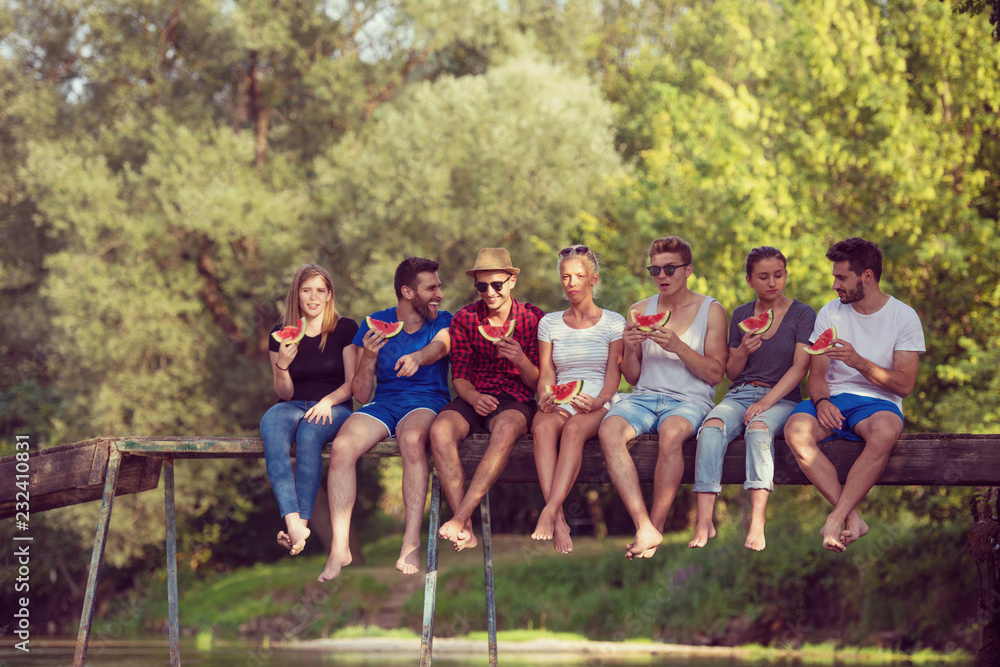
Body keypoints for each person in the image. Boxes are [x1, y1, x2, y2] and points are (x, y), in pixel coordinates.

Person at [784, 237, 924, 553]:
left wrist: (858, 360)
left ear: (867, 276)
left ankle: (835, 517)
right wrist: (820, 402)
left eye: (841, 277)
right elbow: (816, 376)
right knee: (795, 431)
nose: (835, 285)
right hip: (833, 399)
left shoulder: (904, 317)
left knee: (886, 432)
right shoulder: (829, 314)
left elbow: (904, 385)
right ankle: (852, 517)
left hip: (879, 404)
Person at [317, 258, 451, 581]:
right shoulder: (374, 323)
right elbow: (362, 394)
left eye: (439, 286)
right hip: (384, 403)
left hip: (426, 402)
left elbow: (441, 346)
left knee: (411, 439)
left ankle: (410, 539)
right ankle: (340, 546)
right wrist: (370, 356)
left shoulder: (443, 320)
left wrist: (418, 357)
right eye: (431, 287)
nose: (439, 294)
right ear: (407, 291)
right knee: (342, 447)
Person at [598, 236, 728, 560]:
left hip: (690, 400)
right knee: (608, 432)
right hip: (643, 397)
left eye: (670, 268)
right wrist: (629, 347)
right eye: (655, 269)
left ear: (688, 270)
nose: (662, 276)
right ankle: (644, 526)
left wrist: (679, 347)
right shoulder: (639, 310)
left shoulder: (711, 310)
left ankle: (655, 526)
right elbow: (631, 376)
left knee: (672, 434)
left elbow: (715, 374)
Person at [688, 246, 816, 551]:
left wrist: (766, 402)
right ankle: (705, 519)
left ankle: (757, 520)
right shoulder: (742, 315)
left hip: (782, 399)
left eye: (779, 275)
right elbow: (732, 372)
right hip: (741, 393)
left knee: (758, 432)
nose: (773, 282)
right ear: (749, 280)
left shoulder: (803, 313)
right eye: (764, 277)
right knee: (710, 429)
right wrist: (742, 351)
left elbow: (800, 368)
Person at [430, 247, 544, 550]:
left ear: (512, 281)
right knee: (440, 430)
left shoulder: (533, 319)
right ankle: (464, 528)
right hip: (474, 395)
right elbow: (460, 375)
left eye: (497, 284)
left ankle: (461, 516)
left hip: (516, 398)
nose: (490, 292)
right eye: (482, 286)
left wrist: (520, 359)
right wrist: (474, 396)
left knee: (506, 429)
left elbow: (538, 384)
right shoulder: (465, 319)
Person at [531, 245, 624, 554]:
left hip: (597, 399)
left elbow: (614, 375)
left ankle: (549, 510)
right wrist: (546, 397)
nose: (572, 282)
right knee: (541, 427)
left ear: (593, 279)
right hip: (560, 398)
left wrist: (600, 401)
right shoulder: (549, 323)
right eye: (566, 276)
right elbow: (547, 371)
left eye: (579, 276)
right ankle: (559, 521)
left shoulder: (614, 322)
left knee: (573, 431)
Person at [261, 264, 358, 557]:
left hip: (334, 405)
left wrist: (327, 401)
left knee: (308, 434)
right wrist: (282, 365)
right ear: (297, 294)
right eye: (306, 291)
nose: (313, 297)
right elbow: (284, 392)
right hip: (291, 405)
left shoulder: (345, 328)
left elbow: (353, 384)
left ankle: (299, 525)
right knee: (270, 426)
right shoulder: (280, 334)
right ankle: (294, 523)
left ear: (329, 295)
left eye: (319, 291)